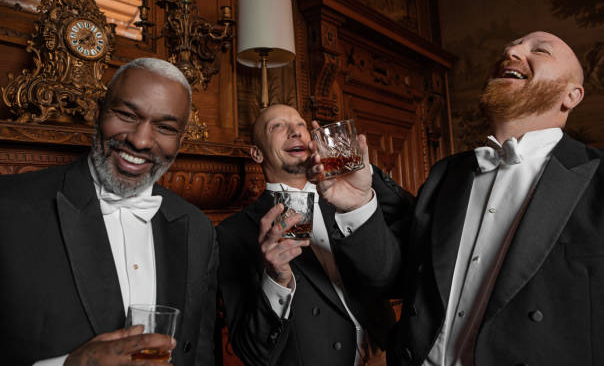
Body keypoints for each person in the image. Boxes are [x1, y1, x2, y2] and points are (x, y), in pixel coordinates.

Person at [308, 31, 604, 366]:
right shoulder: (445, 175)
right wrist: (358, 204)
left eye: (539, 50)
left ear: (571, 95)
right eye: (510, 46)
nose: (511, 50)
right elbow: (395, 279)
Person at [0, 58, 218, 366]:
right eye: (127, 115)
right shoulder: (8, 208)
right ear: (99, 110)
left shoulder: (199, 229)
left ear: (181, 139)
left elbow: (200, 355)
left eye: (165, 127)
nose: (140, 140)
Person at [216, 104, 411, 366]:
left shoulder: (347, 198)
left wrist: (359, 195)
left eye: (300, 125)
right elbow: (252, 352)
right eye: (277, 126)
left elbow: (394, 271)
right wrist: (275, 280)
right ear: (257, 153)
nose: (295, 132)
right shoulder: (233, 232)